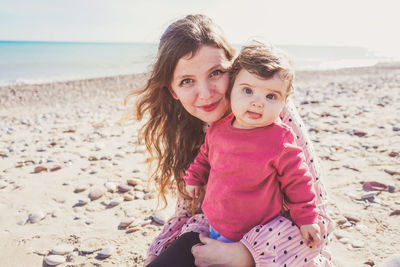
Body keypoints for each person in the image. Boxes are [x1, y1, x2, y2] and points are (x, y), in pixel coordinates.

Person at [127, 14, 333, 267]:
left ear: (233, 70)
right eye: (187, 81)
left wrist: (245, 255)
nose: (206, 93)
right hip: (212, 233)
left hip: (277, 250)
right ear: (173, 91)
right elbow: (187, 211)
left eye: (216, 73)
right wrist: (158, 252)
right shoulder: (187, 126)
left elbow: (318, 218)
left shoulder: (271, 112)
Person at [184, 42, 321, 248]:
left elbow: (298, 182)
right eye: (248, 90)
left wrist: (307, 219)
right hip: (215, 220)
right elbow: (206, 156)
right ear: (231, 91)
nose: (258, 102)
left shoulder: (280, 139)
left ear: (284, 102)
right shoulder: (218, 129)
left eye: (271, 96)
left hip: (256, 233)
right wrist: (194, 176)